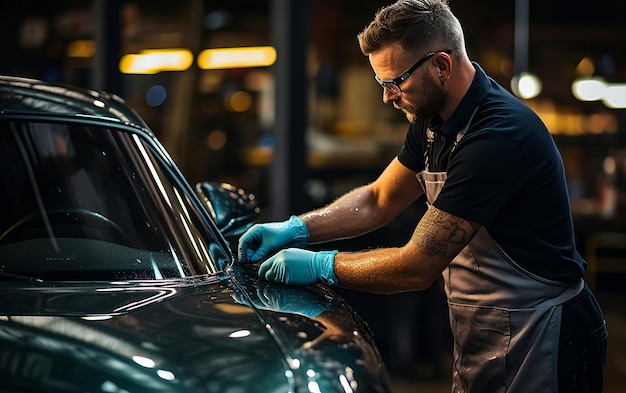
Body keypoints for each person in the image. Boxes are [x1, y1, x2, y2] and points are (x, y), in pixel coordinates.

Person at [237, 0, 607, 391]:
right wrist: (296, 229)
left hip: (544, 334)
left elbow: (416, 266)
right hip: (487, 327)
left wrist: (320, 266)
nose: (387, 97)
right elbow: (380, 198)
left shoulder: (495, 138)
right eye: (382, 85)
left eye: (395, 82)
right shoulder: (433, 117)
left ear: (441, 66)